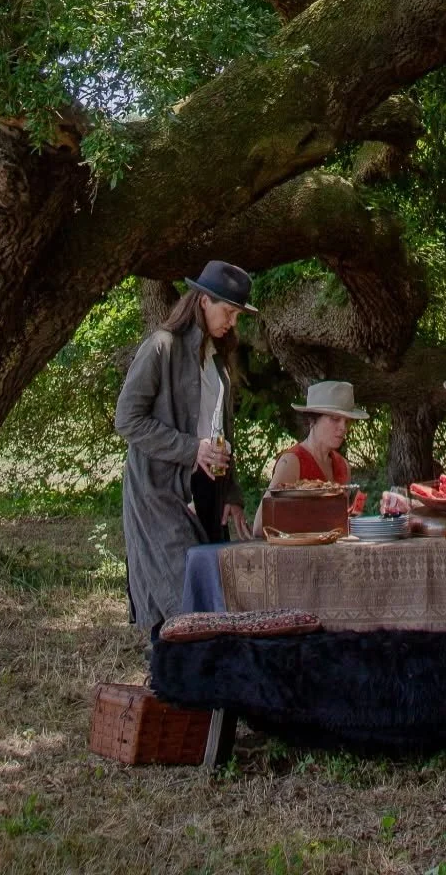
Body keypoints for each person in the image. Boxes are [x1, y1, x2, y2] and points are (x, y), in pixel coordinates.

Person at [114, 261, 255, 633]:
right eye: (228, 312)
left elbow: (222, 432)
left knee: (212, 592)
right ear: (204, 301)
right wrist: (192, 449)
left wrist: (231, 493)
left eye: (238, 316)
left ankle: (198, 667)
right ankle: (167, 665)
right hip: (159, 492)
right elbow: (127, 419)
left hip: (207, 491)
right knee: (180, 597)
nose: (232, 323)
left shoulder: (218, 362)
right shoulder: (161, 346)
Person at [252, 379, 367, 534]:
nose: (343, 427)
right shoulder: (292, 462)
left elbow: (338, 523)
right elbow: (260, 527)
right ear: (313, 419)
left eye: (347, 421)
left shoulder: (343, 465)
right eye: (335, 419)